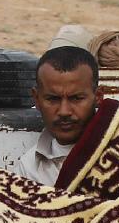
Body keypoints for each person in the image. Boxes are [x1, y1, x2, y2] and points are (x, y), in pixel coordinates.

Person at [17, 45, 99, 185]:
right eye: (53, 99)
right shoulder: (30, 168)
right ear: (37, 99)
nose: (64, 111)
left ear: (98, 97)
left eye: (76, 98)